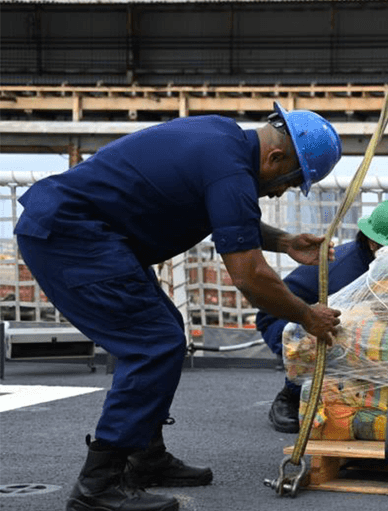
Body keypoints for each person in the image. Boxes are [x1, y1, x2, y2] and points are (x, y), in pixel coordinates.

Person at [15, 101, 345, 511]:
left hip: (86, 231)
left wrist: (284, 241)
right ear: (275, 158)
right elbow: (250, 277)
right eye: (291, 182)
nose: (281, 191)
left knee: (164, 331)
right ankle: (98, 485)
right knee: (153, 344)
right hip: (72, 235)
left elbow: (229, 213)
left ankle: (145, 456)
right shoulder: (230, 172)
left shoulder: (222, 138)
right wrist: (307, 316)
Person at [259, 199, 388, 433]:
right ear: (373, 242)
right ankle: (291, 394)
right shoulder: (348, 271)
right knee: (329, 336)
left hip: (315, 314)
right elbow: (348, 323)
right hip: (282, 319)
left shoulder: (381, 261)